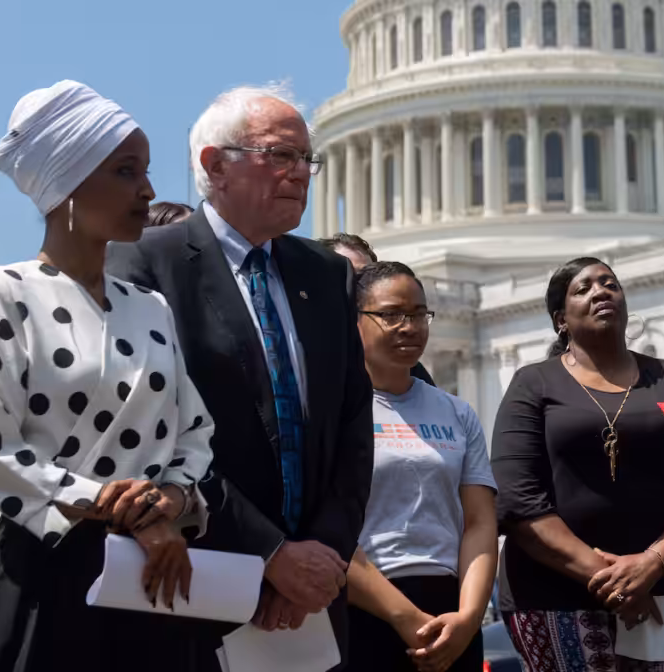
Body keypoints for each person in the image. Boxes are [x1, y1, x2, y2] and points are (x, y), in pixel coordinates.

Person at [106, 84, 374, 668]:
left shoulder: (328, 276)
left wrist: (320, 556)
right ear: (214, 165)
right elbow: (156, 434)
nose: (301, 173)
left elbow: (353, 432)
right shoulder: (144, 265)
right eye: (281, 155)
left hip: (312, 607)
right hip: (195, 587)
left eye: (307, 158)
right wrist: (270, 554)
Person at [0, 80, 214, 672]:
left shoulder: (151, 308)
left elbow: (194, 433)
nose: (148, 190)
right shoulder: (5, 292)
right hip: (45, 578)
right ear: (67, 183)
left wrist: (168, 502)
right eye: (126, 171)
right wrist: (113, 506)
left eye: (145, 171)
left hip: (153, 577)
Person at [491, 257, 664, 672]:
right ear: (561, 319)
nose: (601, 291)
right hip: (556, 596)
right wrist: (616, 583)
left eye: (610, 283)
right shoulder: (533, 384)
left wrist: (652, 564)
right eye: (584, 288)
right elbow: (519, 500)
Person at [344, 261, 497, 671]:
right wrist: (403, 616)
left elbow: (480, 523)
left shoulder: (456, 413)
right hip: (363, 605)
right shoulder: (334, 412)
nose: (408, 327)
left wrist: (467, 619)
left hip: (451, 612)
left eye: (417, 314)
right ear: (355, 321)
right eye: (390, 315)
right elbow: (328, 529)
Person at [319, 232, 436, 387]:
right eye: (347, 275)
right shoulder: (302, 354)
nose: (357, 286)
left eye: (366, 277)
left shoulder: (405, 369)